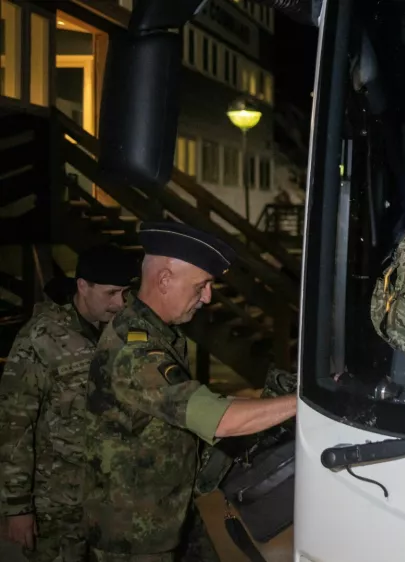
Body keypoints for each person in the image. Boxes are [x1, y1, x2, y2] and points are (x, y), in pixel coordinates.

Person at [83, 221, 297, 561]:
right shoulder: (135, 352)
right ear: (165, 279)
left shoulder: (157, 333)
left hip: (170, 509)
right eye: (203, 284)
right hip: (135, 535)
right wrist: (303, 401)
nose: (209, 296)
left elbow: (194, 402)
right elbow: (219, 419)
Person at [0, 244, 136, 562]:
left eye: (125, 292)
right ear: (82, 286)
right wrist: (18, 508)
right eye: (111, 293)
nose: (119, 303)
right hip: (57, 508)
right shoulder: (41, 339)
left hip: (113, 501)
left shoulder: (123, 332)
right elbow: (13, 426)